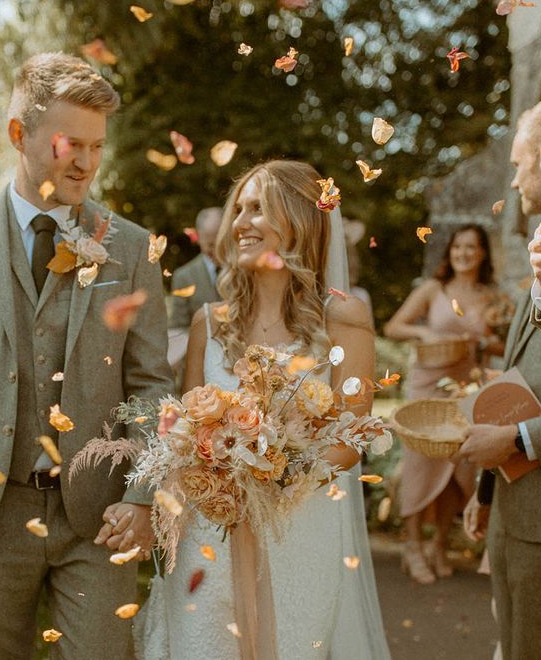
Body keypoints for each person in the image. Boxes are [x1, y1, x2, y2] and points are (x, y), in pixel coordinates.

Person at [0, 52, 174, 660]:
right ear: (19, 134)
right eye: (71, 143)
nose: (86, 162)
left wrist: (141, 493)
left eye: (98, 146)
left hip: (98, 512)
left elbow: (152, 385)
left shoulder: (129, 248)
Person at [157, 160, 390, 659]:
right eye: (238, 208)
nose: (239, 221)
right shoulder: (209, 323)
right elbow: (182, 431)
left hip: (298, 534)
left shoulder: (343, 319)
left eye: (257, 208)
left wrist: (282, 470)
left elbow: (354, 434)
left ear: (299, 220)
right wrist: (210, 468)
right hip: (211, 537)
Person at [460, 97, 541, 660]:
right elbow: (526, 374)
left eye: (519, 163)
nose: (513, 177)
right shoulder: (539, 247)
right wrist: (488, 490)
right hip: (519, 517)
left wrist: (517, 442)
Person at [384, 225, 503, 583]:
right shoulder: (433, 290)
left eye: (472, 247)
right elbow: (393, 327)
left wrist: (481, 343)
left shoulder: (491, 297)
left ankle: (439, 546)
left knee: (457, 468)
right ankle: (413, 546)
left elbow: (502, 346)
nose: (463, 253)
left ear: (482, 253)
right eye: (458, 247)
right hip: (427, 384)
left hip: (465, 387)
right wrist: (424, 332)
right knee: (420, 463)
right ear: (449, 252)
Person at [169, 206, 223, 330]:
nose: (216, 251)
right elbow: (178, 328)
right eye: (210, 245)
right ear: (198, 238)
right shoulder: (183, 277)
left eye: (220, 243)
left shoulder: (243, 269)